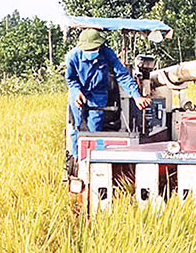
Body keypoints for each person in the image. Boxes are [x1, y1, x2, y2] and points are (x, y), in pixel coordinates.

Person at [65, 28, 152, 159]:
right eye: (88, 51)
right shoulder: (72, 57)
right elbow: (71, 80)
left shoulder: (107, 54)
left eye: (94, 50)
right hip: (79, 93)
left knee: (94, 130)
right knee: (77, 127)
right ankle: (76, 160)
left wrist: (136, 96)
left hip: (98, 94)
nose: (91, 53)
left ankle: (92, 159)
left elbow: (122, 76)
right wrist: (76, 92)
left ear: (99, 46)